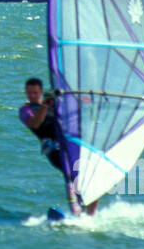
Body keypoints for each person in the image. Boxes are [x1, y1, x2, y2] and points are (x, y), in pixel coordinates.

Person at [18, 77, 97, 216]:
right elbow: (35, 123)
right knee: (70, 175)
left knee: (90, 177)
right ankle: (75, 210)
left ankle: (90, 214)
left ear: (41, 92)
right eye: (29, 92)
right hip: (53, 150)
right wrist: (45, 105)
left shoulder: (53, 104)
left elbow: (74, 111)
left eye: (35, 92)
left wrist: (81, 100)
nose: (32, 96)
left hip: (70, 146)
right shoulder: (25, 110)